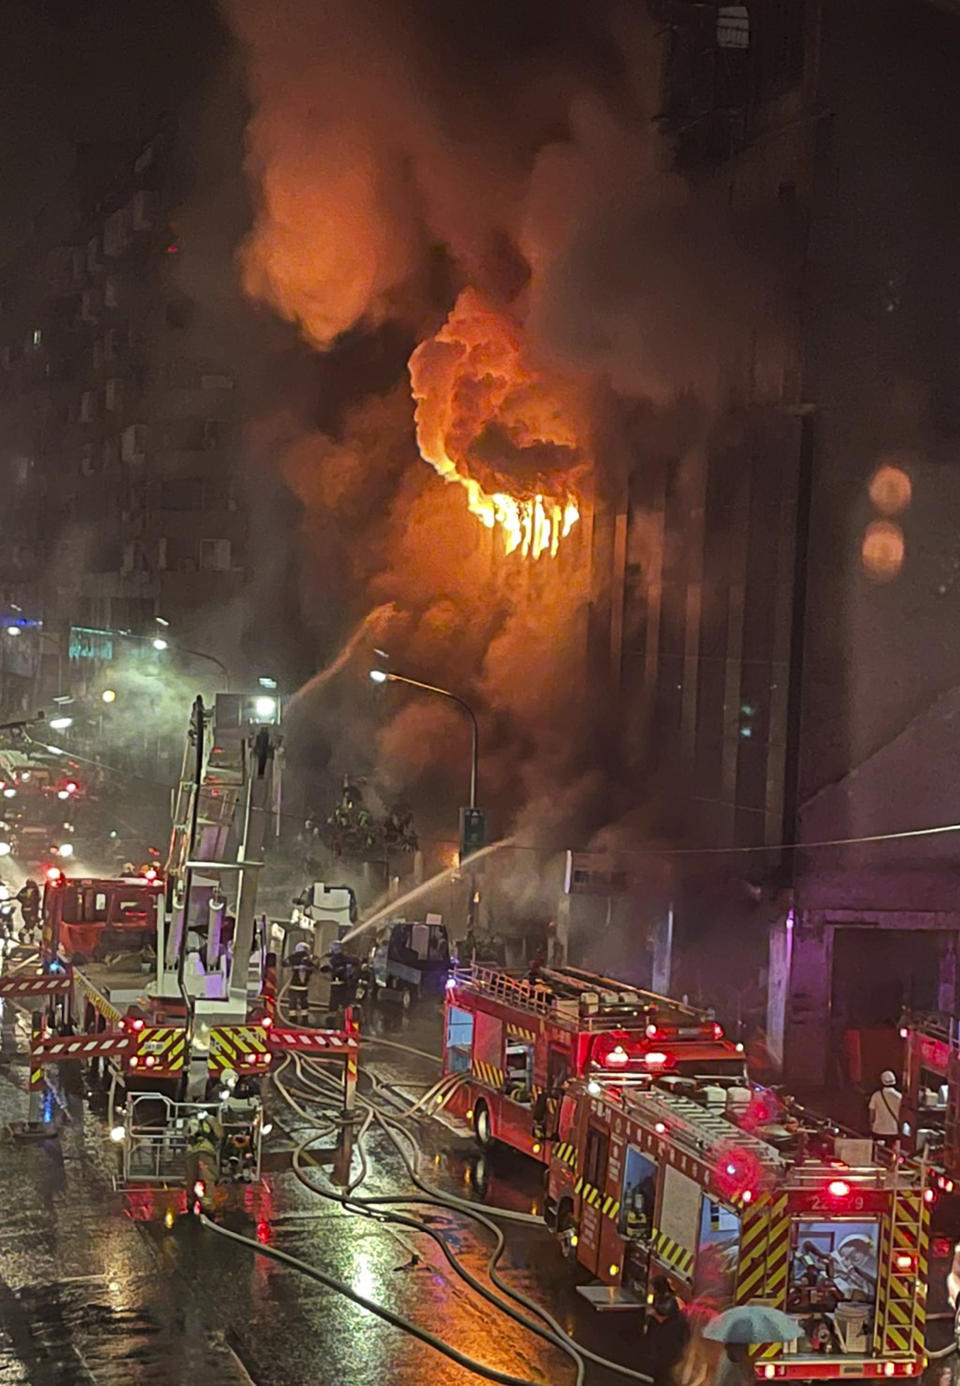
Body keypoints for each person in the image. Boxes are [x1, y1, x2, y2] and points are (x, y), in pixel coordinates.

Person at [643, 1277, 690, 1386]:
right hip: (668, 1350)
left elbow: (662, 1317)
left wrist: (652, 1314)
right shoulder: (665, 1300)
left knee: (664, 1375)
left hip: (668, 1350)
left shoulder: (668, 1302)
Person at [283, 940, 319, 1023]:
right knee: (304, 1002)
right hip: (304, 986)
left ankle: (293, 1018)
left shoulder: (293, 957)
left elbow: (284, 963)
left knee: (293, 1002)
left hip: (294, 985)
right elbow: (316, 967)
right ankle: (304, 1018)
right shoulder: (310, 958)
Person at [868, 1070, 902, 1142]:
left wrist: (871, 1126)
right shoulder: (899, 1097)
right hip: (893, 1130)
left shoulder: (876, 1096)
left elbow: (872, 1115)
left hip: (878, 1130)